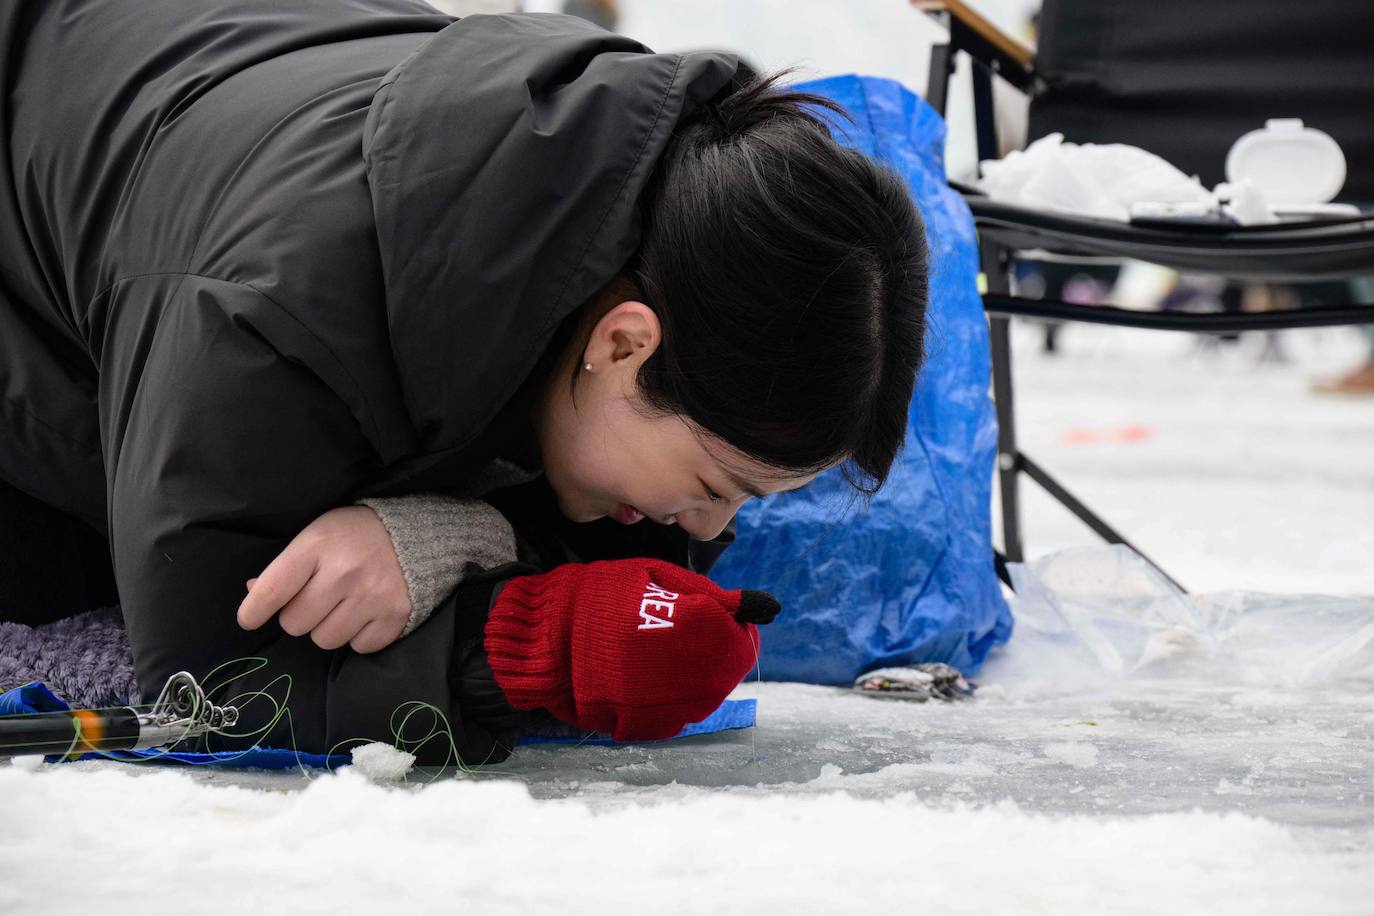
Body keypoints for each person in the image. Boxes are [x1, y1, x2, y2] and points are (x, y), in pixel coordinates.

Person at [0, 1, 927, 762]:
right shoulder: (272, 316)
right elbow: (210, 682)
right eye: (719, 487)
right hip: (37, 189)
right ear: (625, 343)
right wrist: (506, 653)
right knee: (64, 574)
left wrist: (462, 528)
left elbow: (616, 555)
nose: (714, 531)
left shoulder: (619, 200)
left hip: (165, 107)